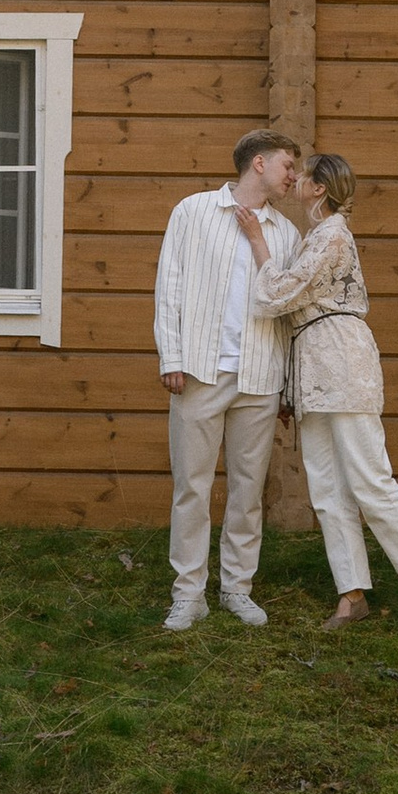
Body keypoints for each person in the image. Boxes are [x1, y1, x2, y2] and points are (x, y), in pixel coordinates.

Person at [238, 150, 398, 630]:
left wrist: (257, 243)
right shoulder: (315, 237)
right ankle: (351, 594)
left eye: (304, 174)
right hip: (314, 365)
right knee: (327, 488)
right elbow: (297, 320)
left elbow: (278, 296)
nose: (294, 179)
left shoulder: (332, 237)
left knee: (368, 477)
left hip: (343, 361)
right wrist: (293, 389)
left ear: (318, 188)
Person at [152, 127, 300, 631]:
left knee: (248, 491)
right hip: (198, 370)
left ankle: (238, 588)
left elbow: (289, 311)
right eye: (287, 165)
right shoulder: (192, 212)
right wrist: (171, 356)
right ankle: (188, 595)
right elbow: (169, 287)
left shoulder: (286, 233)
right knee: (191, 487)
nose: (293, 176)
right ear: (258, 163)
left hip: (260, 377)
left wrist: (287, 385)